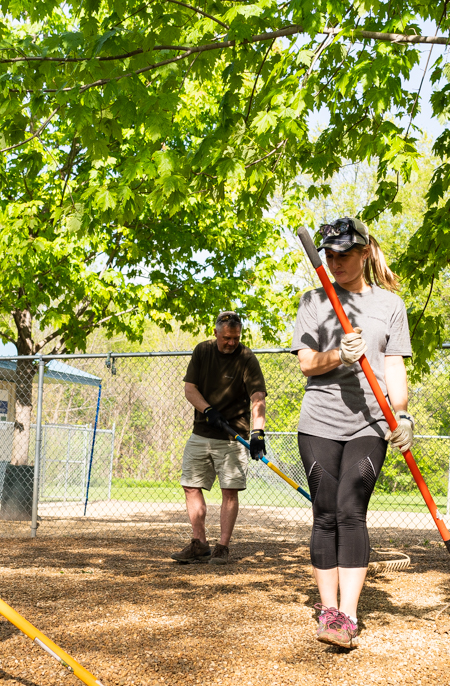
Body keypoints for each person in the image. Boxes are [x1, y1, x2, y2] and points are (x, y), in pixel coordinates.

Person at [292, 217, 412, 649]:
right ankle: (328, 611)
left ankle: (349, 614)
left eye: (344, 254)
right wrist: (338, 355)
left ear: (364, 253)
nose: (336, 262)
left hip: (370, 423)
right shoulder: (314, 301)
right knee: (325, 511)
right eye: (329, 254)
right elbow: (306, 363)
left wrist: (403, 415)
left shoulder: (390, 306)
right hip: (319, 423)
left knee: (350, 507)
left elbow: (393, 365)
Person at [173, 311, 268, 565]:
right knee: (191, 485)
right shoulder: (202, 351)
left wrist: (258, 432)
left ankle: (222, 547)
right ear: (215, 333)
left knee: (229, 491)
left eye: (236, 338)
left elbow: (258, 397)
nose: (231, 343)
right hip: (201, 432)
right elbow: (190, 389)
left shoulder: (247, 358)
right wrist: (208, 411)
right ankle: (199, 543)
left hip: (233, 438)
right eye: (226, 338)